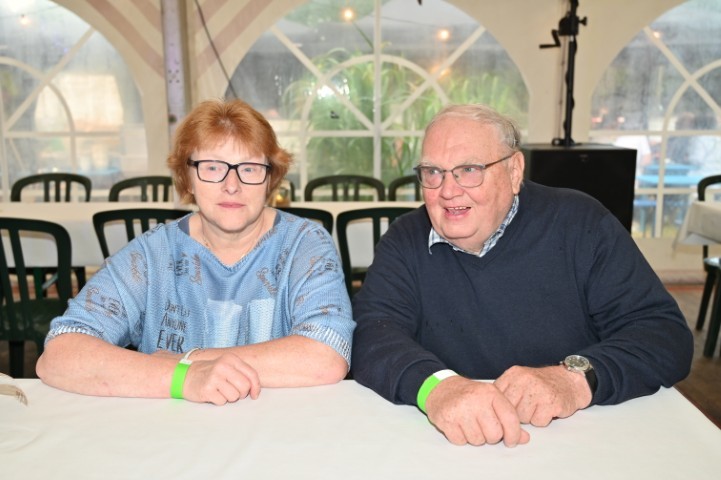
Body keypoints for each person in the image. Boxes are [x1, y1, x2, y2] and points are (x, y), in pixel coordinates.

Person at [350, 104, 693, 447]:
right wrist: (436, 387)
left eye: (469, 170)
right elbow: (372, 335)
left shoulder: (580, 224)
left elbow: (663, 334)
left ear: (514, 171)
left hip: (577, 441)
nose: (448, 190)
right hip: (448, 445)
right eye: (433, 172)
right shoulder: (405, 240)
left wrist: (574, 380)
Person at [37, 98, 355, 405]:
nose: (232, 185)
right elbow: (59, 355)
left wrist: (188, 359)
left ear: (270, 178)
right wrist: (185, 379)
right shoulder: (152, 255)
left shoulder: (304, 245)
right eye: (212, 167)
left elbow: (327, 354)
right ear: (187, 178)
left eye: (249, 168)